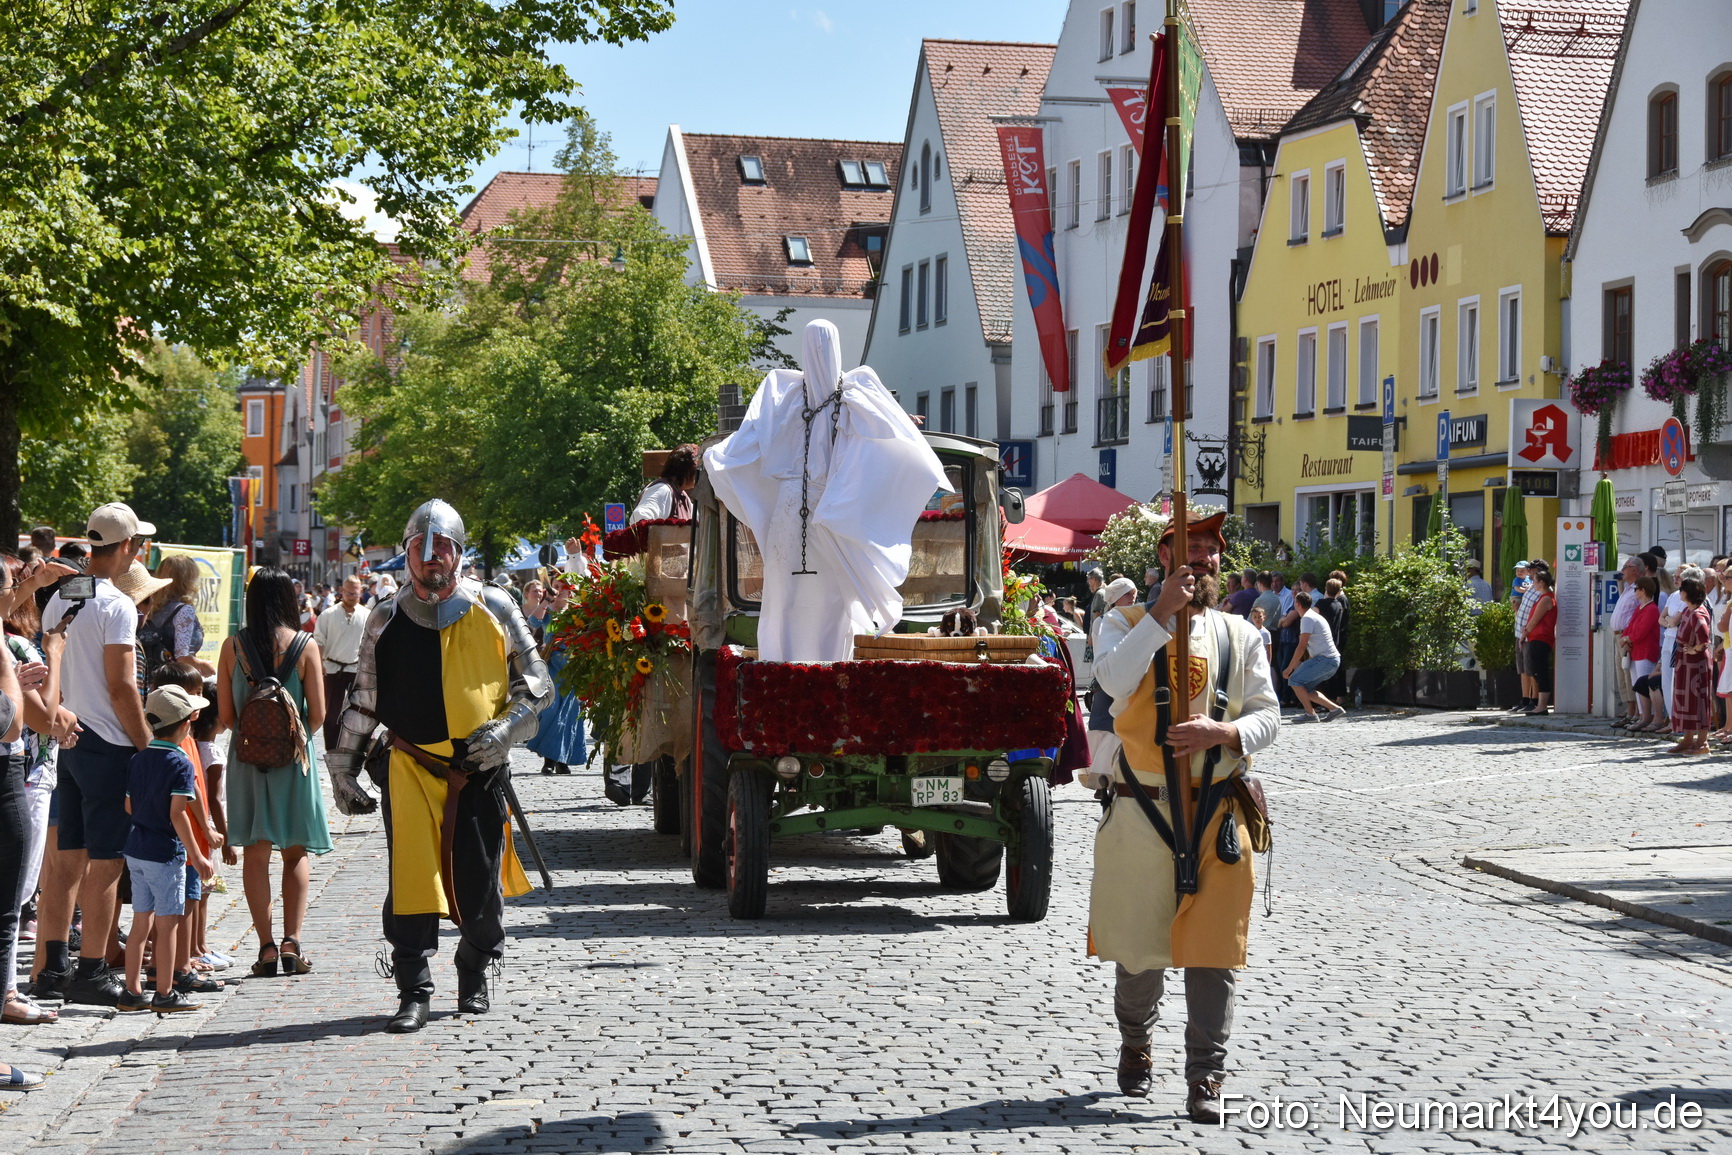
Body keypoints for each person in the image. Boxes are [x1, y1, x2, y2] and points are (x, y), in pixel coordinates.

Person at [326, 499, 552, 1033]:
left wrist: (504, 731)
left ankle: (473, 970)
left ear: (458, 551)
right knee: (412, 883)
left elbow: (537, 685)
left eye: (443, 548)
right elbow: (363, 699)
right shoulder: (384, 618)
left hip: (479, 769)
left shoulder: (495, 606)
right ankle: (414, 990)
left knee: (478, 881)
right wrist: (343, 767)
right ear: (407, 555)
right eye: (421, 550)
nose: (432, 559)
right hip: (410, 768)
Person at [1088, 509, 1280, 1122]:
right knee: (1140, 948)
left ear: (1220, 563)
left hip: (1218, 808)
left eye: (1209, 548)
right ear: (1166, 559)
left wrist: (1226, 730)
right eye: (1187, 546)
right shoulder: (1121, 622)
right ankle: (1136, 1041)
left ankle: (1206, 1075)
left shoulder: (1240, 634)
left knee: (1212, 949)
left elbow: (1268, 715)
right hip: (1144, 804)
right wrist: (1160, 615)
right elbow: (1115, 684)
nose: (1200, 556)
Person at [703, 319, 950, 662]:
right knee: (797, 596)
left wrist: (719, 457)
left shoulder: (811, 396)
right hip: (818, 512)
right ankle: (797, 667)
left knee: (815, 599)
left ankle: (803, 667)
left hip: (811, 512)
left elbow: (752, 438)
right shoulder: (829, 396)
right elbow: (882, 430)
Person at [34, 503, 158, 1007]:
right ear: (127, 547)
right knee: (106, 863)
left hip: (68, 738)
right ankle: (91, 971)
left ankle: (52, 968)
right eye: (139, 543)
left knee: (67, 860)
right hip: (108, 743)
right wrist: (148, 747)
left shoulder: (63, 595)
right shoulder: (117, 605)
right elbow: (122, 686)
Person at [217, 568, 331, 981]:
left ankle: (264, 946)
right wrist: (289, 735)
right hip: (295, 761)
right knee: (295, 850)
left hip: (247, 761)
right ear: (288, 599)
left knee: (256, 851)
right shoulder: (306, 646)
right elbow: (317, 715)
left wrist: (258, 734)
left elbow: (227, 717)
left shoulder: (234, 646)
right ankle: (292, 942)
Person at [117, 684, 214, 1015]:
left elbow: (130, 805)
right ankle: (165, 991)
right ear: (187, 722)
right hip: (164, 852)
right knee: (168, 922)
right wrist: (198, 856)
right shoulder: (181, 763)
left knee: (140, 922)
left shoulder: (138, 758)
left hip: (136, 849)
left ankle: (132, 991)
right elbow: (178, 813)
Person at [1075, 576, 1139, 791]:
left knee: (1124, 731)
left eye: (1134, 594)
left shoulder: (1135, 619)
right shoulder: (1105, 621)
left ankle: (1123, 778)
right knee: (1105, 729)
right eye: (1128, 594)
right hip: (1108, 683)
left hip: (1132, 683)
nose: (1133, 598)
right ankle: (1103, 780)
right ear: (1117, 597)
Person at [529, 579, 586, 778]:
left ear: (571, 592)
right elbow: (532, 622)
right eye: (557, 587)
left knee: (569, 715)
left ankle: (562, 760)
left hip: (572, 668)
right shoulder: (548, 611)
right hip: (552, 666)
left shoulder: (577, 612)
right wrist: (546, 601)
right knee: (551, 711)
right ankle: (549, 760)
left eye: (564, 588)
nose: (560, 591)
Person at [311, 575, 370, 759]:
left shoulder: (367, 615)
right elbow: (318, 642)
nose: (353, 596)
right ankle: (332, 748)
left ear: (361, 592)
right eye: (349, 592)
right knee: (332, 713)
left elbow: (371, 643)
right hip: (332, 669)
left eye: (356, 592)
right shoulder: (328, 615)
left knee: (360, 713)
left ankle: (357, 748)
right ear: (342, 592)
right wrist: (319, 665)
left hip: (356, 669)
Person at [142, 555, 214, 678]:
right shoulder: (184, 610)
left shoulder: (151, 605)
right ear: (187, 580)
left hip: (151, 678)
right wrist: (206, 666)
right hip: (175, 680)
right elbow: (183, 657)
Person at [1669, 574, 1714, 754]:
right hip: (1685, 663)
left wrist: (1695, 649)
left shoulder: (1698, 613)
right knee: (1685, 700)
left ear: (1689, 593)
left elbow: (1704, 636)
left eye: (1682, 590)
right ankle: (1687, 740)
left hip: (1697, 664)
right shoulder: (1688, 610)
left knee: (1699, 701)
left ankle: (1702, 742)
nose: (1680, 592)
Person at [1284, 591, 1346, 722]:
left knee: (1294, 680)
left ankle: (1310, 714)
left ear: (1297, 603)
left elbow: (1302, 645)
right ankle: (1335, 709)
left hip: (1325, 660)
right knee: (1304, 688)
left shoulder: (1307, 618)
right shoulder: (1312, 616)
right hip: (1331, 660)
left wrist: (1290, 668)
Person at [1626, 577, 1666, 731]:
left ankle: (1651, 716)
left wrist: (1628, 638)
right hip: (1637, 650)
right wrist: (1626, 637)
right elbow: (1631, 626)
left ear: (1643, 591)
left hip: (1646, 651)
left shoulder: (1652, 609)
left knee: (1646, 685)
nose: (1635, 592)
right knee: (1638, 686)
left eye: (1636, 589)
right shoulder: (1641, 608)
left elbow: (1642, 631)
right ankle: (1644, 716)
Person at [631, 444, 700, 525]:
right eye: (698, 469)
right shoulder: (663, 490)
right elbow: (640, 518)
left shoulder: (684, 498)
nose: (700, 475)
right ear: (688, 470)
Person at [1610, 557, 1643, 727]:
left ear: (1635, 570)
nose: (1622, 569)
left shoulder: (1639, 589)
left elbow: (1638, 615)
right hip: (1618, 635)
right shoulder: (1628, 588)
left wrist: (1629, 636)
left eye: (1626, 567)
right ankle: (1629, 709)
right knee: (1621, 672)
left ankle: (1635, 711)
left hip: (1627, 635)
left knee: (1628, 672)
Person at [1521, 571, 1556, 716]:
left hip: (1541, 639)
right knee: (1536, 671)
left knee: (1540, 672)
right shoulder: (1542, 597)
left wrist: (1524, 633)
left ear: (1541, 582)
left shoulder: (1546, 599)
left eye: (1534, 581)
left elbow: (1535, 620)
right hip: (1536, 638)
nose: (1533, 584)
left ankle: (1542, 705)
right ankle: (1540, 705)